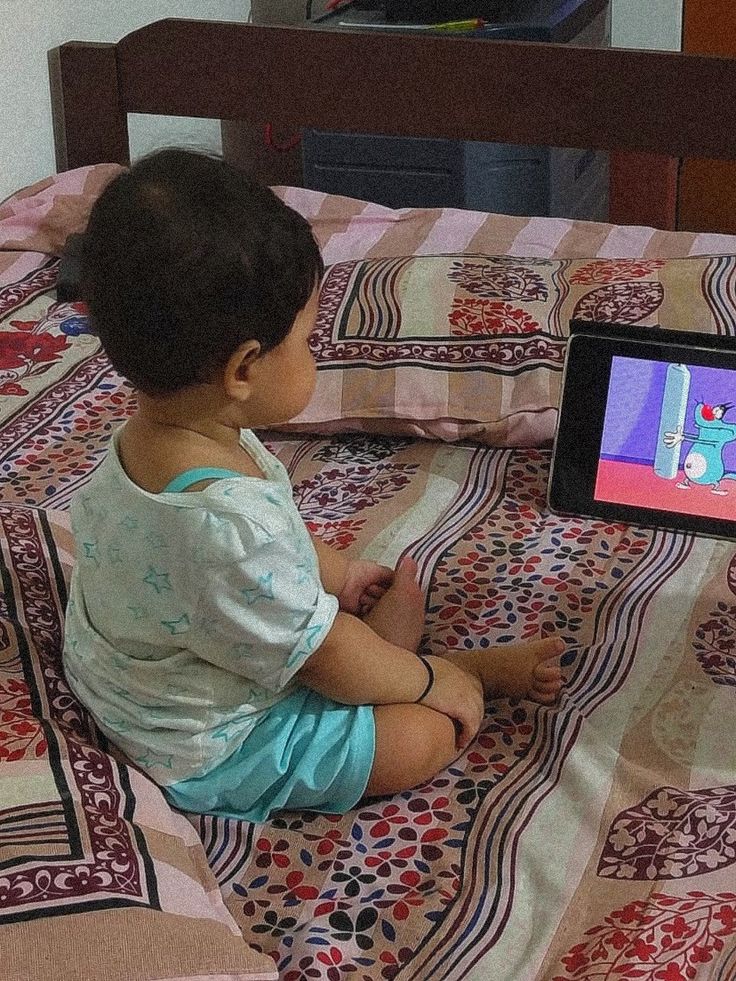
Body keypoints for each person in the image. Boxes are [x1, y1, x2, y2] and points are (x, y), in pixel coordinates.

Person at [63, 148, 564, 823]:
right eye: (304, 339)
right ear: (242, 368)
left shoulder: (145, 442)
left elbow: (271, 552)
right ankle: (459, 671)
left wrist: (343, 572)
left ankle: (393, 659)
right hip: (208, 742)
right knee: (423, 734)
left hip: (153, 682)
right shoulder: (225, 527)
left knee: (379, 605)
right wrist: (426, 680)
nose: (316, 352)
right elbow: (321, 656)